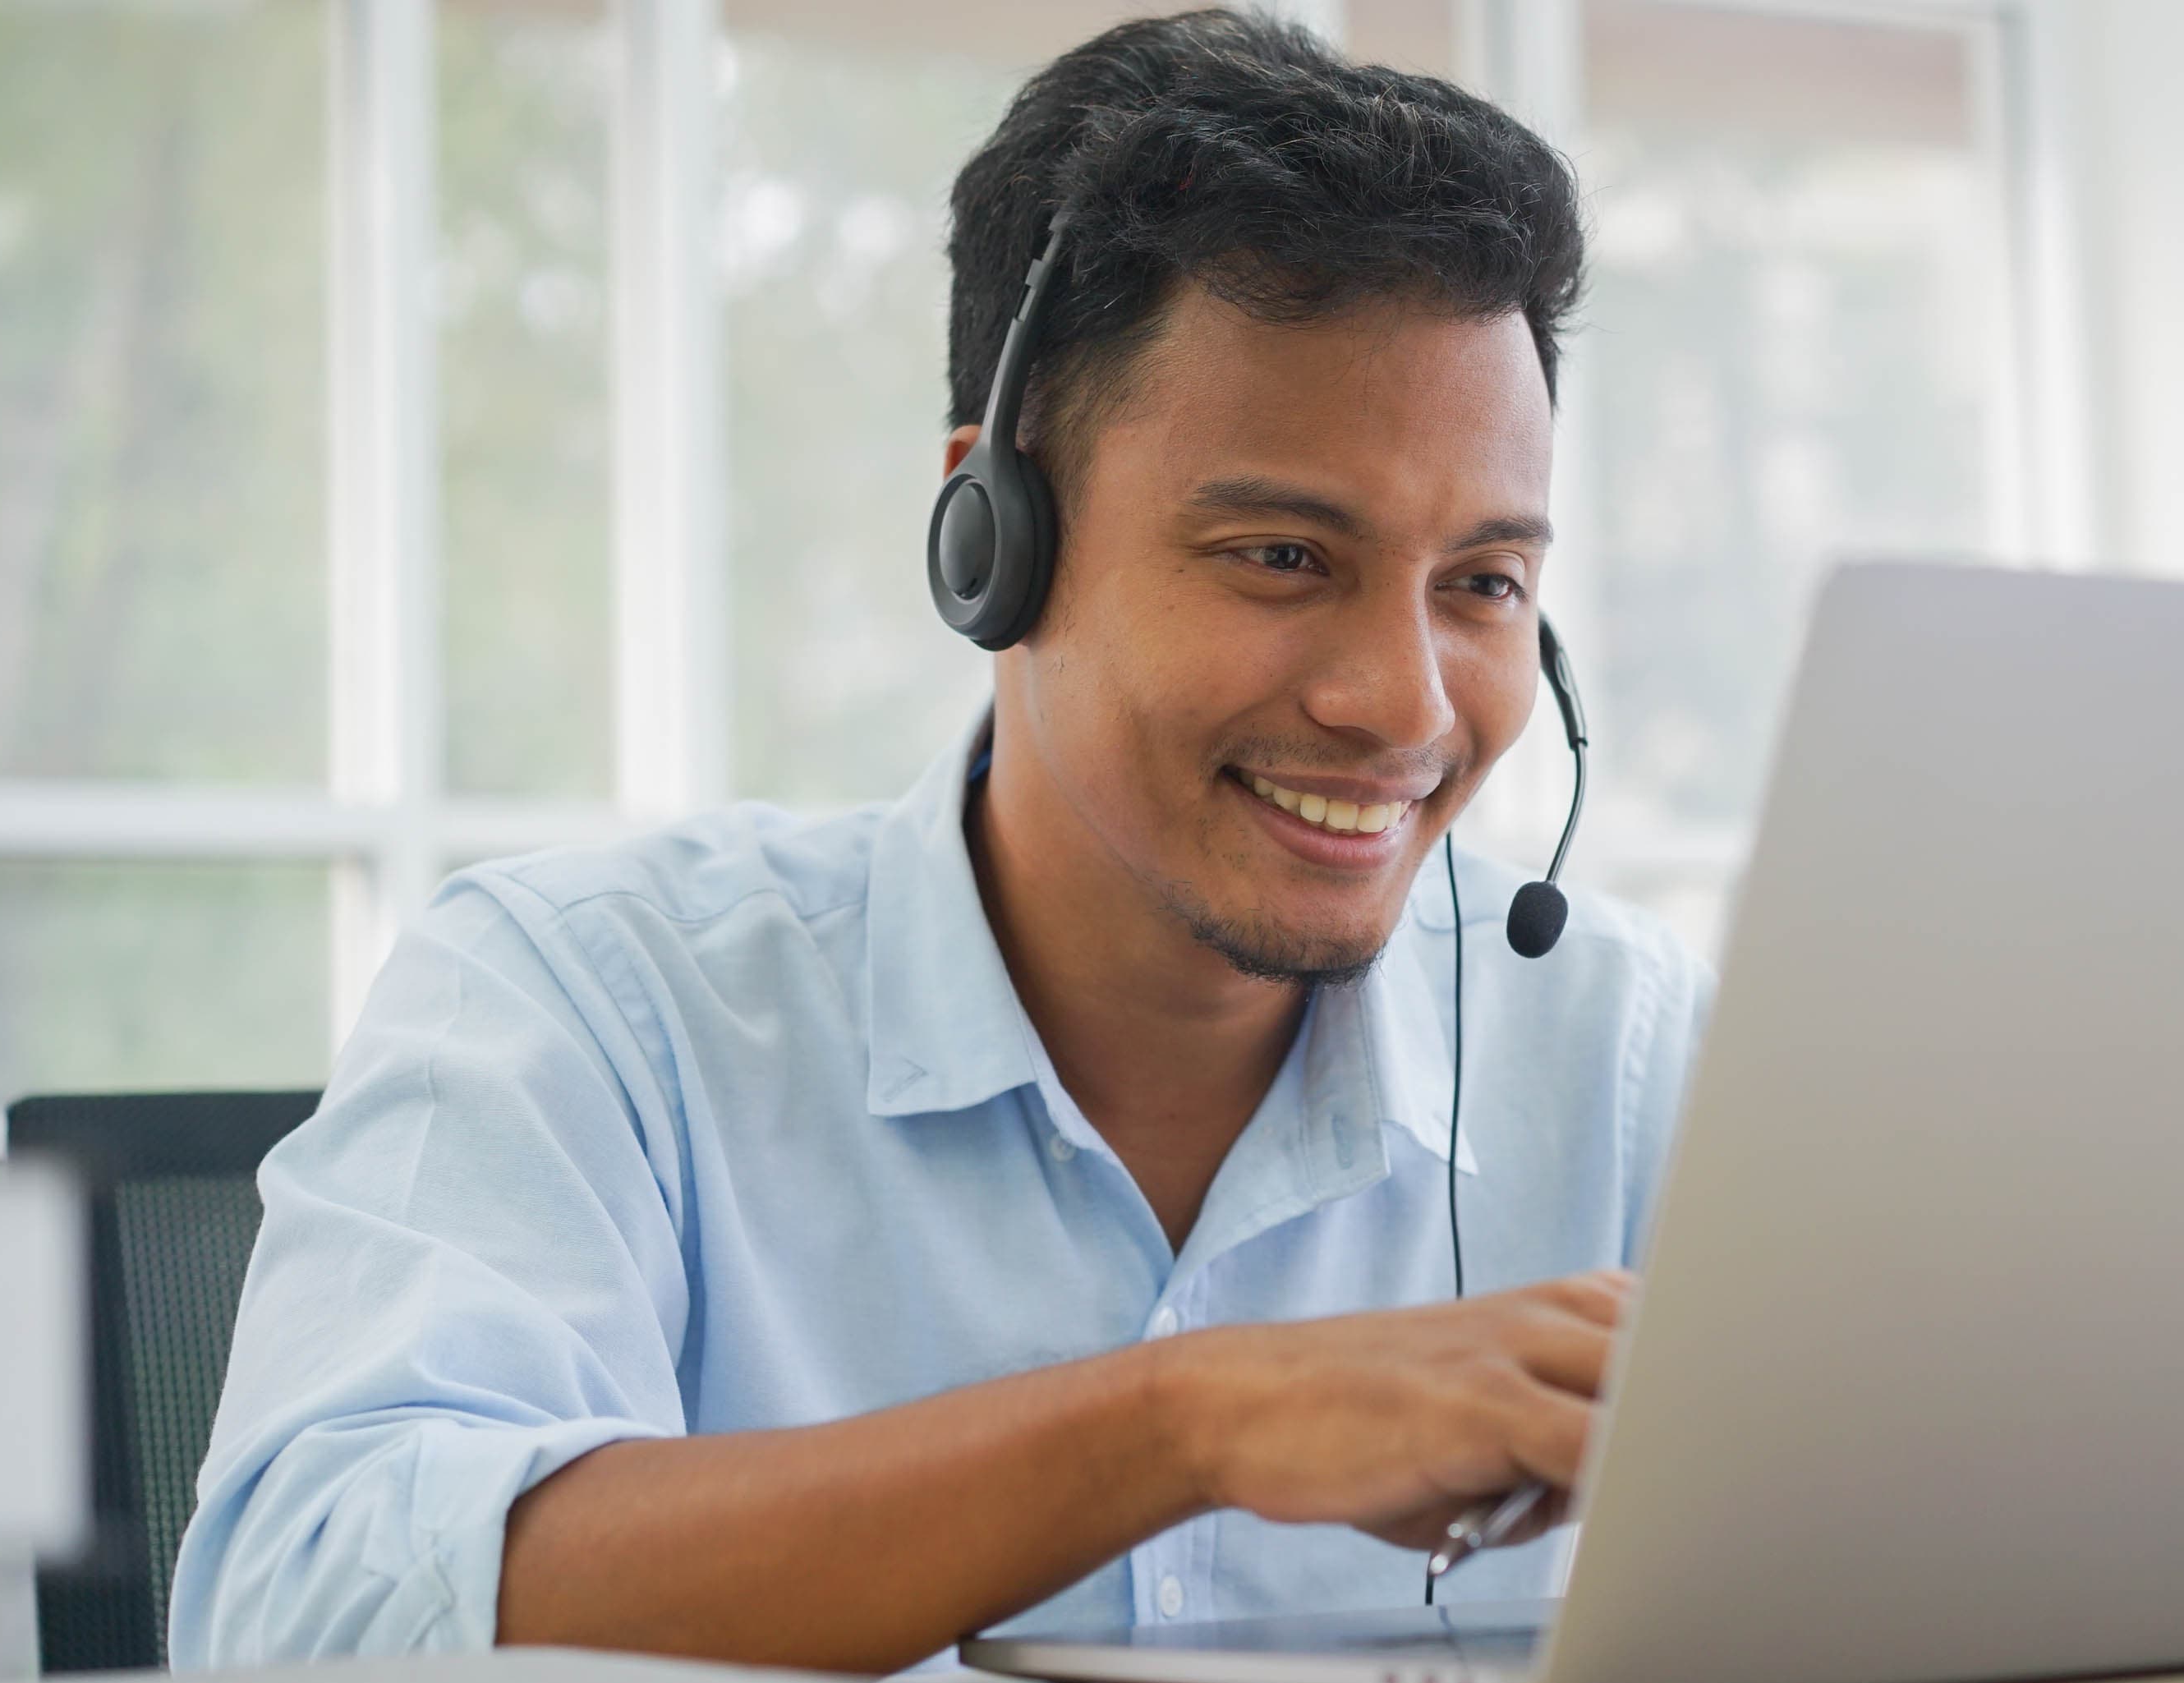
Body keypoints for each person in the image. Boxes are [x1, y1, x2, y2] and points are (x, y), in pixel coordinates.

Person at [168, 11, 1706, 1673]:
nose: (1400, 702)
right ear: (998, 536)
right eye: (1281, 553)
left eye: (1482, 583)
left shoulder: (1635, 1059)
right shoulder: (589, 1003)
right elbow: (305, 1603)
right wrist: (1176, 1421)